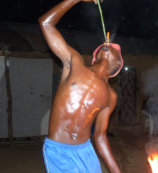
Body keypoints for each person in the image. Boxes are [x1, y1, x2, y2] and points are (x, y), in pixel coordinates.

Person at [39, 0, 123, 172]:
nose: (108, 45)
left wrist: (116, 171)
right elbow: (45, 23)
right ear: (96, 55)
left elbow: (100, 137)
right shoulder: (75, 63)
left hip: (86, 152)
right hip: (59, 151)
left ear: (117, 65)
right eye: (105, 45)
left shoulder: (110, 96)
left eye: (114, 48)